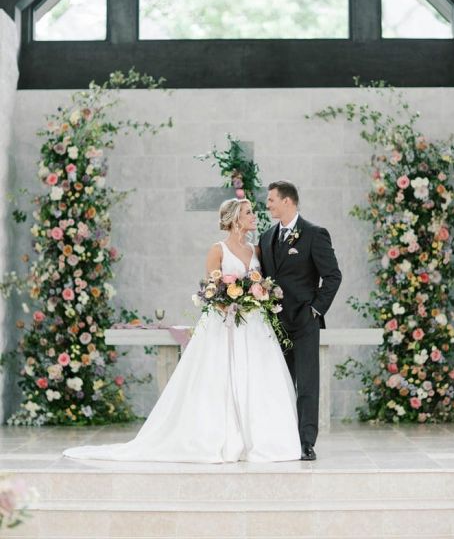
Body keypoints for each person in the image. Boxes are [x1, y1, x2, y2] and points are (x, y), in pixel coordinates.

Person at [63, 198, 301, 463]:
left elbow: (263, 281)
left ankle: (259, 439)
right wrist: (230, 300)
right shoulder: (218, 249)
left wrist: (258, 296)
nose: (253, 216)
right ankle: (218, 437)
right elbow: (213, 289)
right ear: (235, 219)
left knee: (259, 379)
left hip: (254, 326)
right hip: (225, 324)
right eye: (248, 213)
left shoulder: (256, 250)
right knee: (217, 378)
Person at [259, 181, 342, 461]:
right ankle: (281, 439)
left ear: (287, 201)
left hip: (305, 322)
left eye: (271, 200)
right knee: (279, 383)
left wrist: (315, 310)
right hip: (275, 324)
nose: (267, 204)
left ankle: (306, 442)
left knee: (307, 384)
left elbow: (333, 276)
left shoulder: (314, 234)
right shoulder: (265, 237)